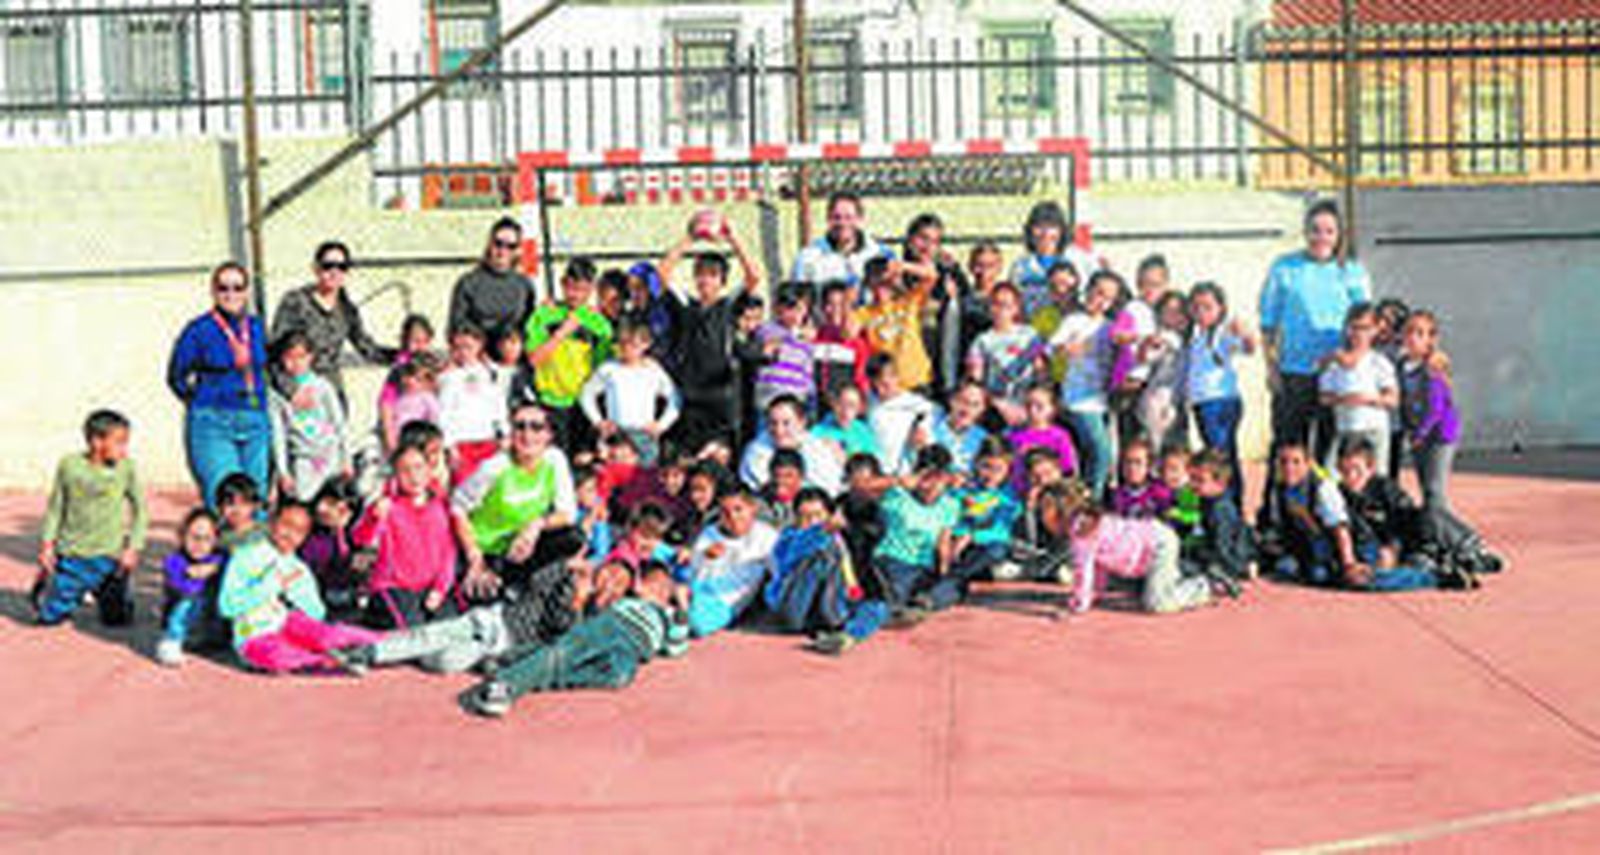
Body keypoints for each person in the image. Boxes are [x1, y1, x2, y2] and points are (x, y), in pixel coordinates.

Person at [462, 562, 691, 718]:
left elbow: (677, 647)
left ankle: (512, 661)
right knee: (567, 651)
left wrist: (681, 605)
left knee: (618, 678)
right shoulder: (628, 602)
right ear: (640, 585)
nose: (660, 589)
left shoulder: (670, 616)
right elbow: (590, 616)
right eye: (654, 582)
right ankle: (504, 686)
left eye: (665, 587)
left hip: (634, 649)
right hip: (613, 624)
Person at [1260, 200, 1372, 462]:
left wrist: (1354, 361)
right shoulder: (1284, 268)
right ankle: (1282, 502)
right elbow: (1268, 324)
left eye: (1329, 231)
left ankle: (1328, 502)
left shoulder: (1352, 271)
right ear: (1306, 232)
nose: (1321, 237)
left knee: (1331, 451)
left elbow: (1365, 323)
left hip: (1337, 374)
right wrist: (1271, 368)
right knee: (1288, 447)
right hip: (1294, 372)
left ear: (1339, 235)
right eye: (1315, 230)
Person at [217, 501, 379, 674]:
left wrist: (297, 595)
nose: (290, 534)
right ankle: (332, 662)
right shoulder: (246, 556)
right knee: (276, 655)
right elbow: (226, 606)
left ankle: (382, 642)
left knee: (325, 634)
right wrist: (269, 586)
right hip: (253, 636)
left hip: (288, 626)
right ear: (272, 522)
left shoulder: (299, 569)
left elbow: (317, 614)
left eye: (299, 531)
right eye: (286, 525)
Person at [452, 402, 586, 602]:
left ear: (549, 434)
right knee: (486, 599)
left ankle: (527, 585)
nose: (528, 435)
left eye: (536, 427)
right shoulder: (494, 468)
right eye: (520, 426)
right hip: (488, 547)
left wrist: (536, 525)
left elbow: (568, 513)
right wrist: (474, 556)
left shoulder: (555, 460)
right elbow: (457, 508)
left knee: (573, 537)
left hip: (522, 544)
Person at [166, 262, 272, 509]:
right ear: (213, 291)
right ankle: (222, 548)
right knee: (224, 497)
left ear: (246, 292)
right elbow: (176, 376)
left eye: (237, 287)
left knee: (256, 498)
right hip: (213, 422)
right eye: (223, 288)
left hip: (255, 419)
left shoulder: (256, 327)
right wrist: (201, 400)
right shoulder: (199, 330)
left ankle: (253, 548)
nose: (230, 294)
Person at [657, 212, 764, 453]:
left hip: (723, 393)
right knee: (692, 453)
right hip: (692, 392)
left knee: (724, 453)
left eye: (712, 275)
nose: (705, 280)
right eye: (701, 273)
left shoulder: (728, 305)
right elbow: (663, 272)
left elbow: (753, 276)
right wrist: (689, 239)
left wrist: (732, 239)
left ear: (722, 281)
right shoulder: (686, 304)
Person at [33, 409, 147, 629]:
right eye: (120, 442)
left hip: (110, 558)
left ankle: (118, 597)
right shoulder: (69, 465)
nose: (125, 450)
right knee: (50, 617)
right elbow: (56, 508)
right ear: (96, 441)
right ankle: (56, 593)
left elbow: (140, 510)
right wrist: (47, 545)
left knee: (116, 621)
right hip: (72, 554)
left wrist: (133, 548)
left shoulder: (127, 468)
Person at [353, 443, 485, 630]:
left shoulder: (440, 506)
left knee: (450, 632)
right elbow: (361, 538)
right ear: (395, 476)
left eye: (418, 467)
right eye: (405, 470)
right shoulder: (388, 507)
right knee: (412, 634)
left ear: (429, 471)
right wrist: (373, 518)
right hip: (395, 586)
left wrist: (440, 588)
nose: (413, 476)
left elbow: (448, 553)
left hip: (432, 587)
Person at [1057, 479, 1214, 616]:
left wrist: (1080, 603)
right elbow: (1097, 566)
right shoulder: (1086, 524)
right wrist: (1093, 594)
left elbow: (1083, 571)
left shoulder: (1082, 532)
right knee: (1148, 592)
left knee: (1158, 604)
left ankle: (1202, 586)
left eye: (1046, 508)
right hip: (1152, 546)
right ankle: (1181, 578)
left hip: (1157, 545)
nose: (1042, 515)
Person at [767, 489, 890, 656]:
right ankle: (834, 621)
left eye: (818, 515)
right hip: (796, 609)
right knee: (823, 554)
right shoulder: (789, 537)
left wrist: (852, 633)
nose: (812, 522)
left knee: (877, 606)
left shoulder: (844, 541)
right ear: (795, 518)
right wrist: (821, 531)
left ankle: (846, 636)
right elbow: (795, 553)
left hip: (831, 610)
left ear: (830, 515)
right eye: (805, 517)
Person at [268, 240, 394, 403]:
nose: (334, 272)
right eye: (328, 266)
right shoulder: (296, 302)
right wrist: (290, 391)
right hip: (299, 390)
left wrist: (404, 356)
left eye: (342, 267)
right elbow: (275, 351)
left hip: (331, 393)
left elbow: (368, 348)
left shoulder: (347, 309)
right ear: (316, 268)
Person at [918, 438, 1022, 612]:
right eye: (985, 466)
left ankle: (944, 586)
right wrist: (956, 534)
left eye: (998, 469)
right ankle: (936, 593)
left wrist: (971, 536)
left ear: (1008, 471)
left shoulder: (1008, 497)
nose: (990, 474)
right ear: (975, 463)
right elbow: (946, 515)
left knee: (997, 549)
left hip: (979, 551)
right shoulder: (963, 489)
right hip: (951, 546)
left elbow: (1000, 531)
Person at [525, 257, 614, 453]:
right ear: (562, 283)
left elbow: (603, 371)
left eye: (582, 289)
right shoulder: (544, 315)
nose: (575, 294)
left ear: (591, 289)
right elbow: (534, 360)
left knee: (583, 463)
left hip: (583, 405)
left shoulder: (600, 325)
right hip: (549, 403)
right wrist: (561, 333)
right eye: (571, 287)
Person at [1256, 442, 1371, 588]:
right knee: (1284, 568)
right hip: (1308, 545)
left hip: (1348, 545)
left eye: (1296, 462)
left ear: (1308, 464)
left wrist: (1349, 564)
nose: (1289, 468)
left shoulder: (1322, 488)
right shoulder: (1278, 488)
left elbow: (1340, 528)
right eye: (1283, 462)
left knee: (1320, 576)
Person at [1050, 269, 1122, 499]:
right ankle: (1093, 500)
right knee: (1101, 452)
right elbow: (1051, 347)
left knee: (1091, 453)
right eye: (1098, 292)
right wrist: (1065, 349)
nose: (1101, 301)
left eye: (1108, 298)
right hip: (1078, 399)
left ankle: (1083, 496)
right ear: (1087, 291)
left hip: (1102, 399)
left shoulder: (1112, 326)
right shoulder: (1074, 321)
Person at [873, 446, 962, 622]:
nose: (932, 486)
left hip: (924, 567)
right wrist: (898, 481)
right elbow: (862, 486)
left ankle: (923, 603)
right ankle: (896, 607)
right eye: (927, 478)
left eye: (939, 479)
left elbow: (943, 542)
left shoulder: (950, 504)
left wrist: (943, 572)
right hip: (895, 561)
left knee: (955, 585)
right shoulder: (896, 496)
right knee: (897, 591)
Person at [1185, 282, 1256, 502]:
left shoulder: (1223, 333)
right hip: (1203, 403)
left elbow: (1248, 347)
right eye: (1196, 307)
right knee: (1217, 454)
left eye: (1207, 307)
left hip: (1219, 402)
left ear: (1221, 308)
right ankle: (1225, 501)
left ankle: (1229, 503)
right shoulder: (1197, 336)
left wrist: (1245, 334)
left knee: (1220, 458)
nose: (1201, 313)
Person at [578, 319, 681, 466]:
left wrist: (661, 425)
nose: (628, 349)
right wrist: (598, 421)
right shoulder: (609, 369)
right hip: (617, 434)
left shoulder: (653, 371)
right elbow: (586, 394)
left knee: (644, 482)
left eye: (634, 345)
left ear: (646, 344)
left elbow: (675, 398)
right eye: (623, 344)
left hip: (644, 435)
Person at [684, 485, 779, 637]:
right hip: (694, 589)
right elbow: (691, 568)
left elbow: (777, 574)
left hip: (723, 602)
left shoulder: (766, 536)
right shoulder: (709, 533)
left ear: (752, 508)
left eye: (738, 509)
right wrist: (704, 556)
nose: (732, 517)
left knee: (697, 623)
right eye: (725, 512)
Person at [268, 331, 351, 503]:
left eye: (301, 356)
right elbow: (278, 434)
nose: (296, 362)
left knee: (333, 502)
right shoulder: (277, 395)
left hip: (330, 454)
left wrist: (346, 459)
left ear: (310, 357)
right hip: (303, 457)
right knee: (305, 500)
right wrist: (283, 472)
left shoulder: (323, 386)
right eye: (289, 357)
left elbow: (339, 423)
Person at [1319, 303, 1399, 473]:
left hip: (1373, 430)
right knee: (1331, 478)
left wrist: (1368, 399)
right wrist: (1342, 399)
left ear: (1375, 330)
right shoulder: (1335, 362)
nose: (1357, 333)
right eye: (1353, 327)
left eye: (1364, 328)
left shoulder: (1379, 362)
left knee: (1375, 480)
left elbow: (1392, 399)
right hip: (1345, 430)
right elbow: (1324, 397)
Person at [1399, 310, 1461, 513]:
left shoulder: (1432, 367)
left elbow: (1436, 408)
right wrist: (1410, 430)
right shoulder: (1402, 365)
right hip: (1418, 434)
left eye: (1419, 333)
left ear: (1430, 339)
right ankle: (1433, 534)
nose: (1412, 338)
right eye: (1408, 331)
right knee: (1426, 489)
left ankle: (1457, 539)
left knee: (1435, 490)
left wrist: (1421, 433)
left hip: (1440, 435)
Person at [965, 282, 1044, 427]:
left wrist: (1032, 404)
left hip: (1028, 405)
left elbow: (1040, 370)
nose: (1000, 310)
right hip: (997, 408)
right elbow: (976, 381)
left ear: (1016, 309)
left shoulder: (1030, 335)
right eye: (995, 304)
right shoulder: (982, 341)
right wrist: (1000, 405)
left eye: (1006, 305)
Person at [438, 324, 508, 488]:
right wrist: (449, 445)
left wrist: (504, 432)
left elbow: (498, 405)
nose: (463, 352)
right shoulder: (449, 377)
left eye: (468, 347)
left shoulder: (490, 373)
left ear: (479, 345)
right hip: (463, 443)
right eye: (458, 347)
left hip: (488, 440)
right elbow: (443, 412)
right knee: (465, 489)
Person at [856, 256, 939, 392]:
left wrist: (903, 266)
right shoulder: (863, 312)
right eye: (875, 283)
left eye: (885, 282)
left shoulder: (908, 302)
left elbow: (931, 276)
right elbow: (847, 332)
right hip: (888, 386)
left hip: (918, 381)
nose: (881, 287)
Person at [449, 217, 536, 345]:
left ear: (517, 250)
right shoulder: (468, 283)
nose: (502, 251)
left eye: (510, 246)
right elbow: (456, 328)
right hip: (476, 357)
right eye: (498, 243)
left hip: (513, 356)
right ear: (489, 244)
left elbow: (531, 327)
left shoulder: (525, 285)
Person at [155, 507, 224, 666]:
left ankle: (218, 638)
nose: (199, 544)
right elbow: (183, 587)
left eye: (206, 538)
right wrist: (198, 575)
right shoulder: (174, 561)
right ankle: (171, 641)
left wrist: (216, 568)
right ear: (182, 536)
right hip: (186, 622)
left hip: (212, 623)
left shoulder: (219, 558)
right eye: (194, 537)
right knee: (189, 600)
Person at [737, 395, 844, 495]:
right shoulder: (756, 450)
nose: (779, 430)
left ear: (802, 422)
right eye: (773, 423)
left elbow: (830, 487)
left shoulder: (819, 449)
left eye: (786, 423)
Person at [1009, 200, 1098, 315]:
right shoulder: (1020, 266)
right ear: (1029, 230)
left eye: (1052, 227)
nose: (1045, 233)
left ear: (1062, 230)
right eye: (1039, 227)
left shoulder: (1078, 259)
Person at [1181, 450, 1253, 589]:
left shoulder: (1221, 510)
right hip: (1216, 554)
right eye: (1192, 478)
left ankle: (1224, 579)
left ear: (1220, 483)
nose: (1193, 485)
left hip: (1228, 561)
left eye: (1200, 480)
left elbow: (1223, 546)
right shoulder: (1206, 500)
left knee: (1184, 566)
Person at [790, 191, 892, 289]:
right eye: (836, 217)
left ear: (860, 219)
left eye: (848, 217)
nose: (842, 223)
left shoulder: (880, 254)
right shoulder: (808, 258)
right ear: (828, 219)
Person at [1134, 291, 1191, 456]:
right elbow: (1145, 357)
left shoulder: (1191, 339)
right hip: (1159, 401)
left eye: (1179, 311)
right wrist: (1147, 345)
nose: (1175, 316)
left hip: (1177, 401)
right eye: (1169, 312)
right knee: (1157, 446)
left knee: (1178, 447)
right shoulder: (1165, 337)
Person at [865, 354, 939, 477]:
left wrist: (921, 431)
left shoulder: (918, 405)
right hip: (874, 472)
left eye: (887, 380)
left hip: (904, 473)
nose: (881, 388)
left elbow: (929, 432)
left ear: (897, 377)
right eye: (876, 382)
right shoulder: (867, 401)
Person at [751, 284, 818, 414]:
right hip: (768, 402)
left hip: (795, 405)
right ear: (777, 309)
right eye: (789, 308)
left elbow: (808, 372)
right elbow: (772, 342)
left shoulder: (807, 342)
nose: (795, 314)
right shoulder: (768, 330)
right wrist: (796, 334)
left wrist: (810, 398)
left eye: (800, 309)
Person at [1006, 383, 1079, 494]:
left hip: (1052, 492)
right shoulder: (1014, 435)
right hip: (1020, 492)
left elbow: (1068, 467)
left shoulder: (1059, 436)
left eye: (1039, 406)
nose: (1032, 411)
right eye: (1028, 405)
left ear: (1052, 409)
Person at [813, 280, 873, 406]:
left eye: (840, 305)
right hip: (820, 403)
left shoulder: (858, 338)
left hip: (847, 406)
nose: (834, 310)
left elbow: (862, 377)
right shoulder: (818, 335)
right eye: (829, 304)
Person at [929, 381, 992, 473]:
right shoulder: (930, 428)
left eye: (975, 405)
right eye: (963, 401)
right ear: (952, 400)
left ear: (983, 409)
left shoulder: (984, 439)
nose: (967, 409)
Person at [812, 384, 879, 463]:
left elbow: (878, 462)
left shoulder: (864, 432)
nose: (845, 411)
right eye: (841, 403)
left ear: (860, 409)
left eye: (851, 405)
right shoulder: (818, 432)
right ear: (833, 403)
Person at [1110, 438, 1172, 519]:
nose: (1132, 467)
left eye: (1138, 462)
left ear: (1148, 466)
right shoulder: (1116, 497)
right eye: (1128, 462)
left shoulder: (1160, 493)